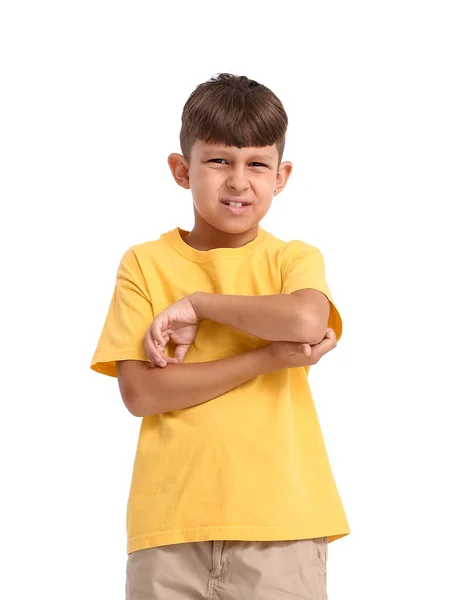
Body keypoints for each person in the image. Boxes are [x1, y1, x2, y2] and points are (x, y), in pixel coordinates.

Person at [90, 72, 350, 600]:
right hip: (169, 528)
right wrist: (265, 359)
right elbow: (141, 393)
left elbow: (305, 321)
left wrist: (201, 306)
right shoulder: (145, 263)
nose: (238, 181)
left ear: (282, 176)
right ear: (182, 170)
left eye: (257, 164)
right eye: (218, 162)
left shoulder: (292, 258)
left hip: (283, 525)